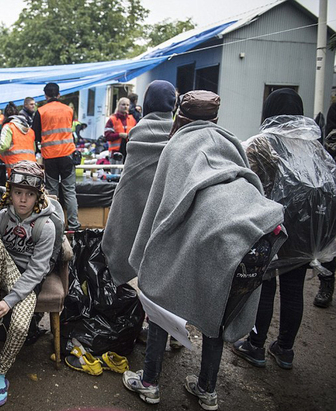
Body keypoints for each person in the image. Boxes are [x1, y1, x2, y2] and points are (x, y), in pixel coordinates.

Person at [122, 90, 286, 410]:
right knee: (219, 309)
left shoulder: (177, 145)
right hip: (253, 235)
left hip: (205, 234)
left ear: (180, 116)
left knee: (159, 294)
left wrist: (148, 256)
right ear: (214, 118)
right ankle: (207, 390)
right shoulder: (231, 141)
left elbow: (162, 206)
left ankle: (150, 382)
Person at [232, 89, 336, 369]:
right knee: (294, 290)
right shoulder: (315, 147)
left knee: (263, 288)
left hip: (270, 229)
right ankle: (285, 350)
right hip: (304, 234)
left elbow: (244, 185)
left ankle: (256, 345)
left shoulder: (260, 144)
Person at [0, 161, 56, 408]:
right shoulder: (2, 217)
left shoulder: (46, 227)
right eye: (18, 193)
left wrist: (9, 301)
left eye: (29, 194)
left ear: (38, 195)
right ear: (10, 193)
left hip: (26, 284)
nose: (23, 199)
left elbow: (37, 271)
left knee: (18, 326)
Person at [102, 80, 176, 286]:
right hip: (166, 213)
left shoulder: (138, 133)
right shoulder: (179, 136)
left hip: (137, 207)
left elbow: (127, 187)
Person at [32, 82, 80, 230]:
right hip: (67, 155)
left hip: (50, 156)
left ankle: (55, 224)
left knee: (52, 192)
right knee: (69, 191)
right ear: (59, 94)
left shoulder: (41, 111)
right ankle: (73, 225)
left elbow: (36, 134)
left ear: (45, 95)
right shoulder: (68, 110)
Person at [0, 102, 36, 175]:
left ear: (5, 116)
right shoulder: (29, 130)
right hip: (32, 168)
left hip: (16, 169)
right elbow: (33, 149)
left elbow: (3, 146)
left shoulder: (9, 126)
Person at [104, 97, 137, 162]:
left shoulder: (132, 120)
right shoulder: (112, 119)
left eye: (127, 105)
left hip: (129, 152)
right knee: (115, 171)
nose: (125, 107)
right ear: (119, 106)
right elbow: (107, 136)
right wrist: (120, 135)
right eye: (123, 104)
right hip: (115, 154)